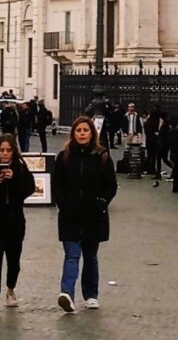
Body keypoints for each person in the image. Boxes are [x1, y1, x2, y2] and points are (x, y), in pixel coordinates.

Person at [52, 116, 116, 313]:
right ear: (73, 133)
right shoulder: (64, 157)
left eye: (85, 130)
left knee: (90, 256)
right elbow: (57, 184)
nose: (81, 133)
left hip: (93, 214)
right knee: (72, 255)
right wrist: (62, 203)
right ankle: (67, 294)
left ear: (91, 133)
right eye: (78, 130)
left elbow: (110, 186)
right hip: (70, 214)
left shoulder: (102, 156)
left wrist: (101, 202)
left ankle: (91, 295)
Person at [0, 134, 37, 311]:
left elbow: (29, 190)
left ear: (13, 152)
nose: (5, 154)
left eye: (8, 150)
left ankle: (10, 289)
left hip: (15, 221)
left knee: (14, 259)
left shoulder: (21, 169)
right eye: (2, 150)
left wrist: (15, 179)